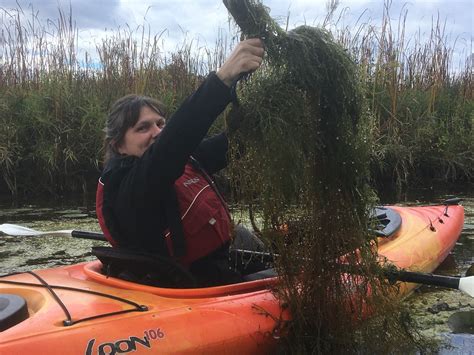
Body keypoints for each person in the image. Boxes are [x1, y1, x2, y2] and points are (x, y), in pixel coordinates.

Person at [96, 39, 265, 286]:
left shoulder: (186, 160)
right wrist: (223, 79)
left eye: (160, 124)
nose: (157, 132)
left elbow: (232, 145)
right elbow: (172, 146)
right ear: (118, 145)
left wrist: (263, 113)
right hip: (186, 285)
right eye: (143, 128)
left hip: (218, 261)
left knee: (246, 238)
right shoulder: (129, 187)